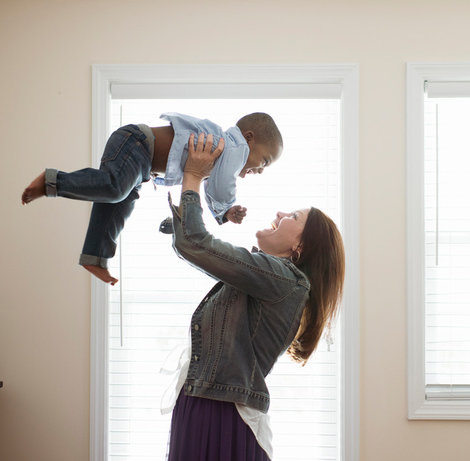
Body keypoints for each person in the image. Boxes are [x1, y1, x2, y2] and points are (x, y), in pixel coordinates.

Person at [164, 132, 345, 460]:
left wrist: (193, 176)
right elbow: (191, 245)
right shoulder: (266, 279)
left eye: (293, 217)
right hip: (205, 403)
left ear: (299, 248)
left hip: (222, 414)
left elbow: (195, 243)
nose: (279, 214)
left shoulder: (284, 279)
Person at [21, 112, 283, 285]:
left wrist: (224, 212)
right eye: (265, 161)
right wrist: (225, 210)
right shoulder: (234, 147)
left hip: (141, 166)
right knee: (114, 188)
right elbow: (223, 184)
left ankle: (94, 257)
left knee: (116, 204)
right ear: (249, 138)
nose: (260, 169)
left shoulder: (223, 153)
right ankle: (52, 181)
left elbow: (212, 184)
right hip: (137, 143)